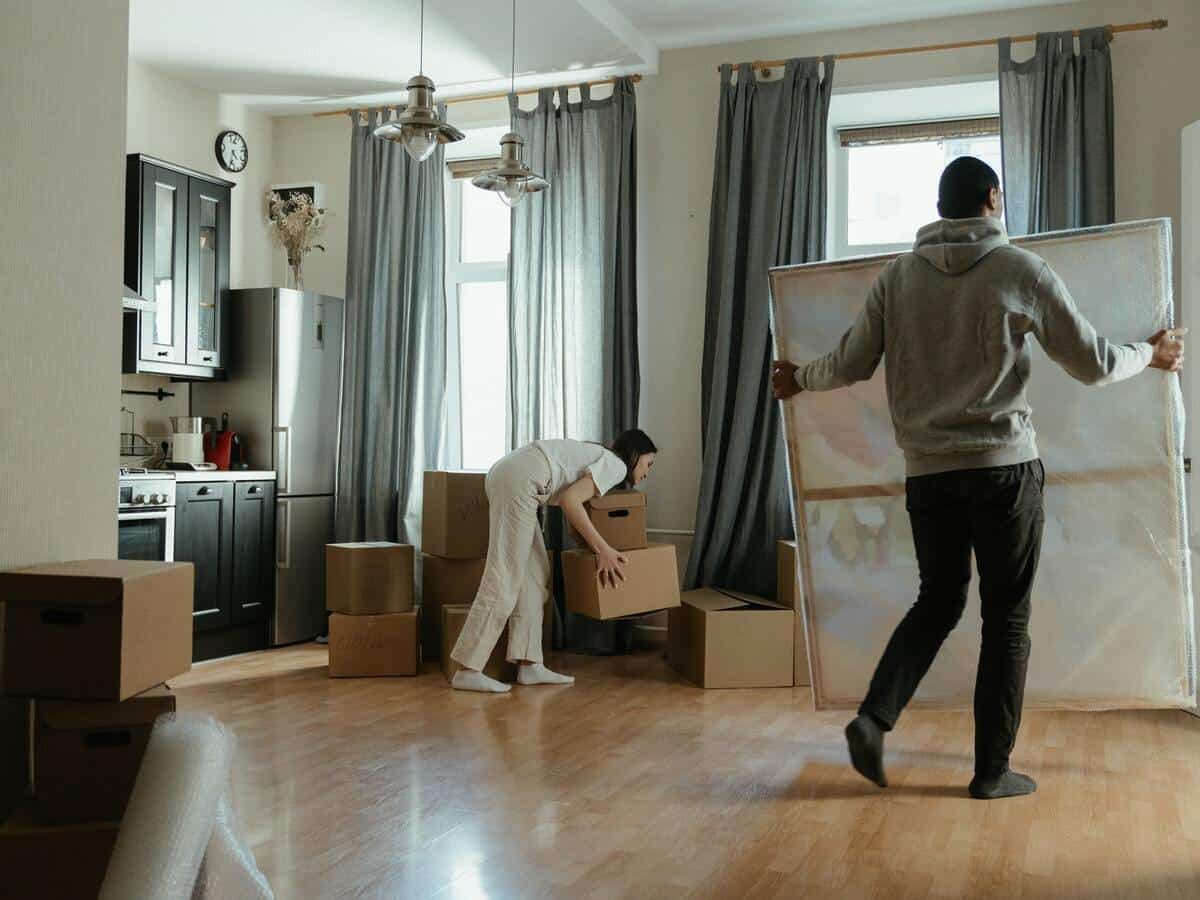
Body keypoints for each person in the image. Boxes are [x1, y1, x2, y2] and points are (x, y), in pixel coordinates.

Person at [772, 156, 1185, 800]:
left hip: (928, 478)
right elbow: (1095, 364)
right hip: (1003, 473)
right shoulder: (1020, 270)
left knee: (937, 600)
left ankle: (874, 717)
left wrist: (797, 378)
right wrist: (1150, 353)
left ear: (940, 208)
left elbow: (850, 364)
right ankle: (992, 771)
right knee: (1007, 620)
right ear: (993, 198)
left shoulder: (896, 278)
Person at [448, 430, 658, 693]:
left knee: (534, 575)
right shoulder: (615, 465)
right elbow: (571, 501)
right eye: (648, 464)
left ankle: (529, 663)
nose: (648, 472)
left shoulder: (600, 458)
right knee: (505, 574)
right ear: (634, 455)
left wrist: (590, 544)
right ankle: (468, 669)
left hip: (515, 475)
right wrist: (603, 549)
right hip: (521, 480)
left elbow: (573, 508)